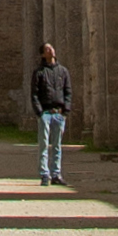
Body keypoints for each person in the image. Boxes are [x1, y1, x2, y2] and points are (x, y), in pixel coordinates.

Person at [31, 43, 71, 186]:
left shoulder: (63, 71)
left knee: (57, 146)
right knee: (43, 145)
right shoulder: (39, 72)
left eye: (52, 48)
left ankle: (56, 174)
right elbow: (34, 94)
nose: (51, 50)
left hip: (59, 113)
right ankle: (44, 174)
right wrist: (40, 112)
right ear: (43, 54)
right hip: (46, 113)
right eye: (47, 49)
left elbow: (68, 91)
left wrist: (65, 110)